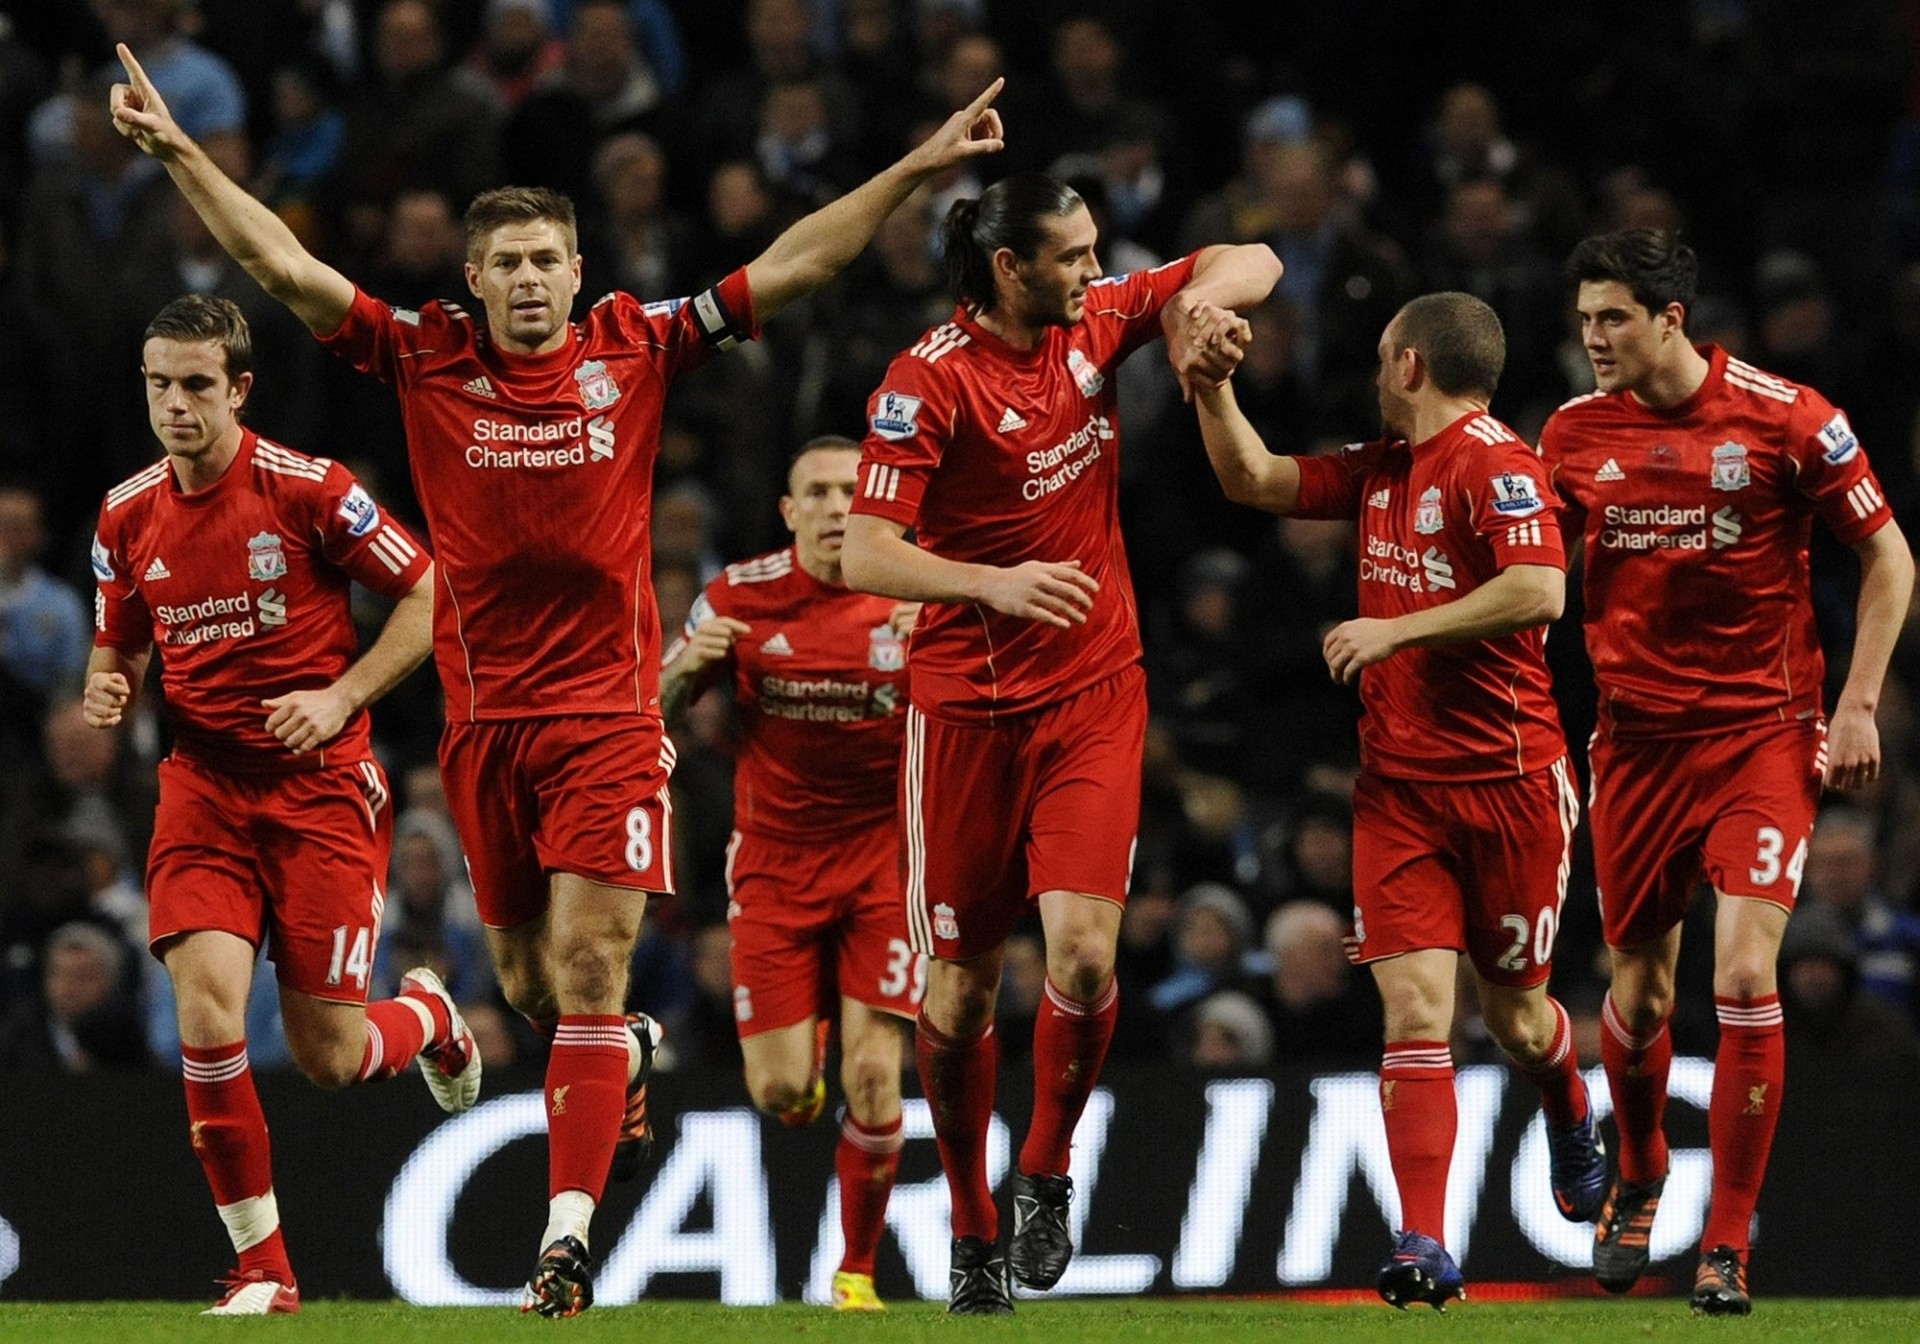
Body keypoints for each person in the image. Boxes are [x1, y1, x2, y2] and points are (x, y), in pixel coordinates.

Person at [110, 44, 1009, 1317]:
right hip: (487, 730)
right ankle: (610, 1051)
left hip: (605, 720)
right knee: (531, 990)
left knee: (588, 974)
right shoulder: (424, 354)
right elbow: (283, 270)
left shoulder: (635, 345)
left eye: (548, 260)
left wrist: (916, 167)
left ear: (578, 272)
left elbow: (799, 264)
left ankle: (566, 1243)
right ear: (472, 280)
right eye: (507, 264)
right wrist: (182, 153)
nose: (529, 280)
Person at [840, 170, 1280, 1313]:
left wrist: (1200, 314)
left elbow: (1252, 254)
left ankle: (1043, 1167)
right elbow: (866, 553)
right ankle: (973, 1227)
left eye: (1096, 253)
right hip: (967, 715)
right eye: (1074, 256)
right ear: (1008, 269)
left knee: (1085, 955)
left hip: (1092, 696)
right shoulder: (925, 383)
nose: (1095, 271)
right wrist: (992, 582)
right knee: (958, 998)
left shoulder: (1095, 322)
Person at [1192, 291, 1605, 1311]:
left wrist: (1398, 630)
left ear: (1412, 364)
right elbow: (1253, 478)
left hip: (1511, 784)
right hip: (1399, 794)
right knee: (1417, 1011)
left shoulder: (1494, 462)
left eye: (1383, 357)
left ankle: (1565, 1097)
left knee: (1514, 1019)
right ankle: (1425, 1241)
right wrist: (1211, 389)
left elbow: (1541, 590)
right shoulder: (1382, 467)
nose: (1372, 373)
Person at [1539, 229, 1914, 1316]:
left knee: (1746, 976)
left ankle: (1729, 1244)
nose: (1594, 338)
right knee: (1639, 990)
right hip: (1637, 744)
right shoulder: (1571, 432)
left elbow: (1889, 556)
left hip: (1762, 732)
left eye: (1612, 318)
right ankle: (1644, 1171)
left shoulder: (1791, 420)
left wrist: (1855, 702)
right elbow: (1532, 575)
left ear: (1670, 319)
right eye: (1584, 320)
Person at [85, 294, 475, 1315]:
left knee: (331, 1059)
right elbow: (120, 633)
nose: (176, 403)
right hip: (203, 787)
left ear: (240, 388)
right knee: (205, 1018)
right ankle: (265, 1269)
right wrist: (107, 677)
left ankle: (428, 1014)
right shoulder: (125, 513)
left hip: (321, 790)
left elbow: (431, 593)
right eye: (160, 383)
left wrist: (342, 694)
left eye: (197, 385)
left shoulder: (310, 491)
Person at [658, 436, 920, 1312]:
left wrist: (946, 651)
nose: (839, 505)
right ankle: (799, 1065)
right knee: (780, 1094)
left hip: (887, 860)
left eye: (854, 488)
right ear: (790, 510)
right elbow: (650, 715)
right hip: (773, 865)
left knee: (876, 1075)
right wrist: (689, 669)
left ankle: (855, 1274)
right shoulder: (737, 594)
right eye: (819, 491)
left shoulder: (918, 588)